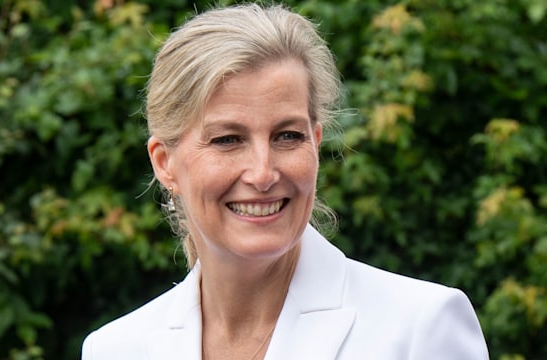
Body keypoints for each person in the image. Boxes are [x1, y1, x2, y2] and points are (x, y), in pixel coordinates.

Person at [82, 3, 489, 359]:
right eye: (228, 140)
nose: (262, 173)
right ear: (165, 163)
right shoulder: (116, 349)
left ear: (315, 142)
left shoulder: (419, 329)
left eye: (287, 136)